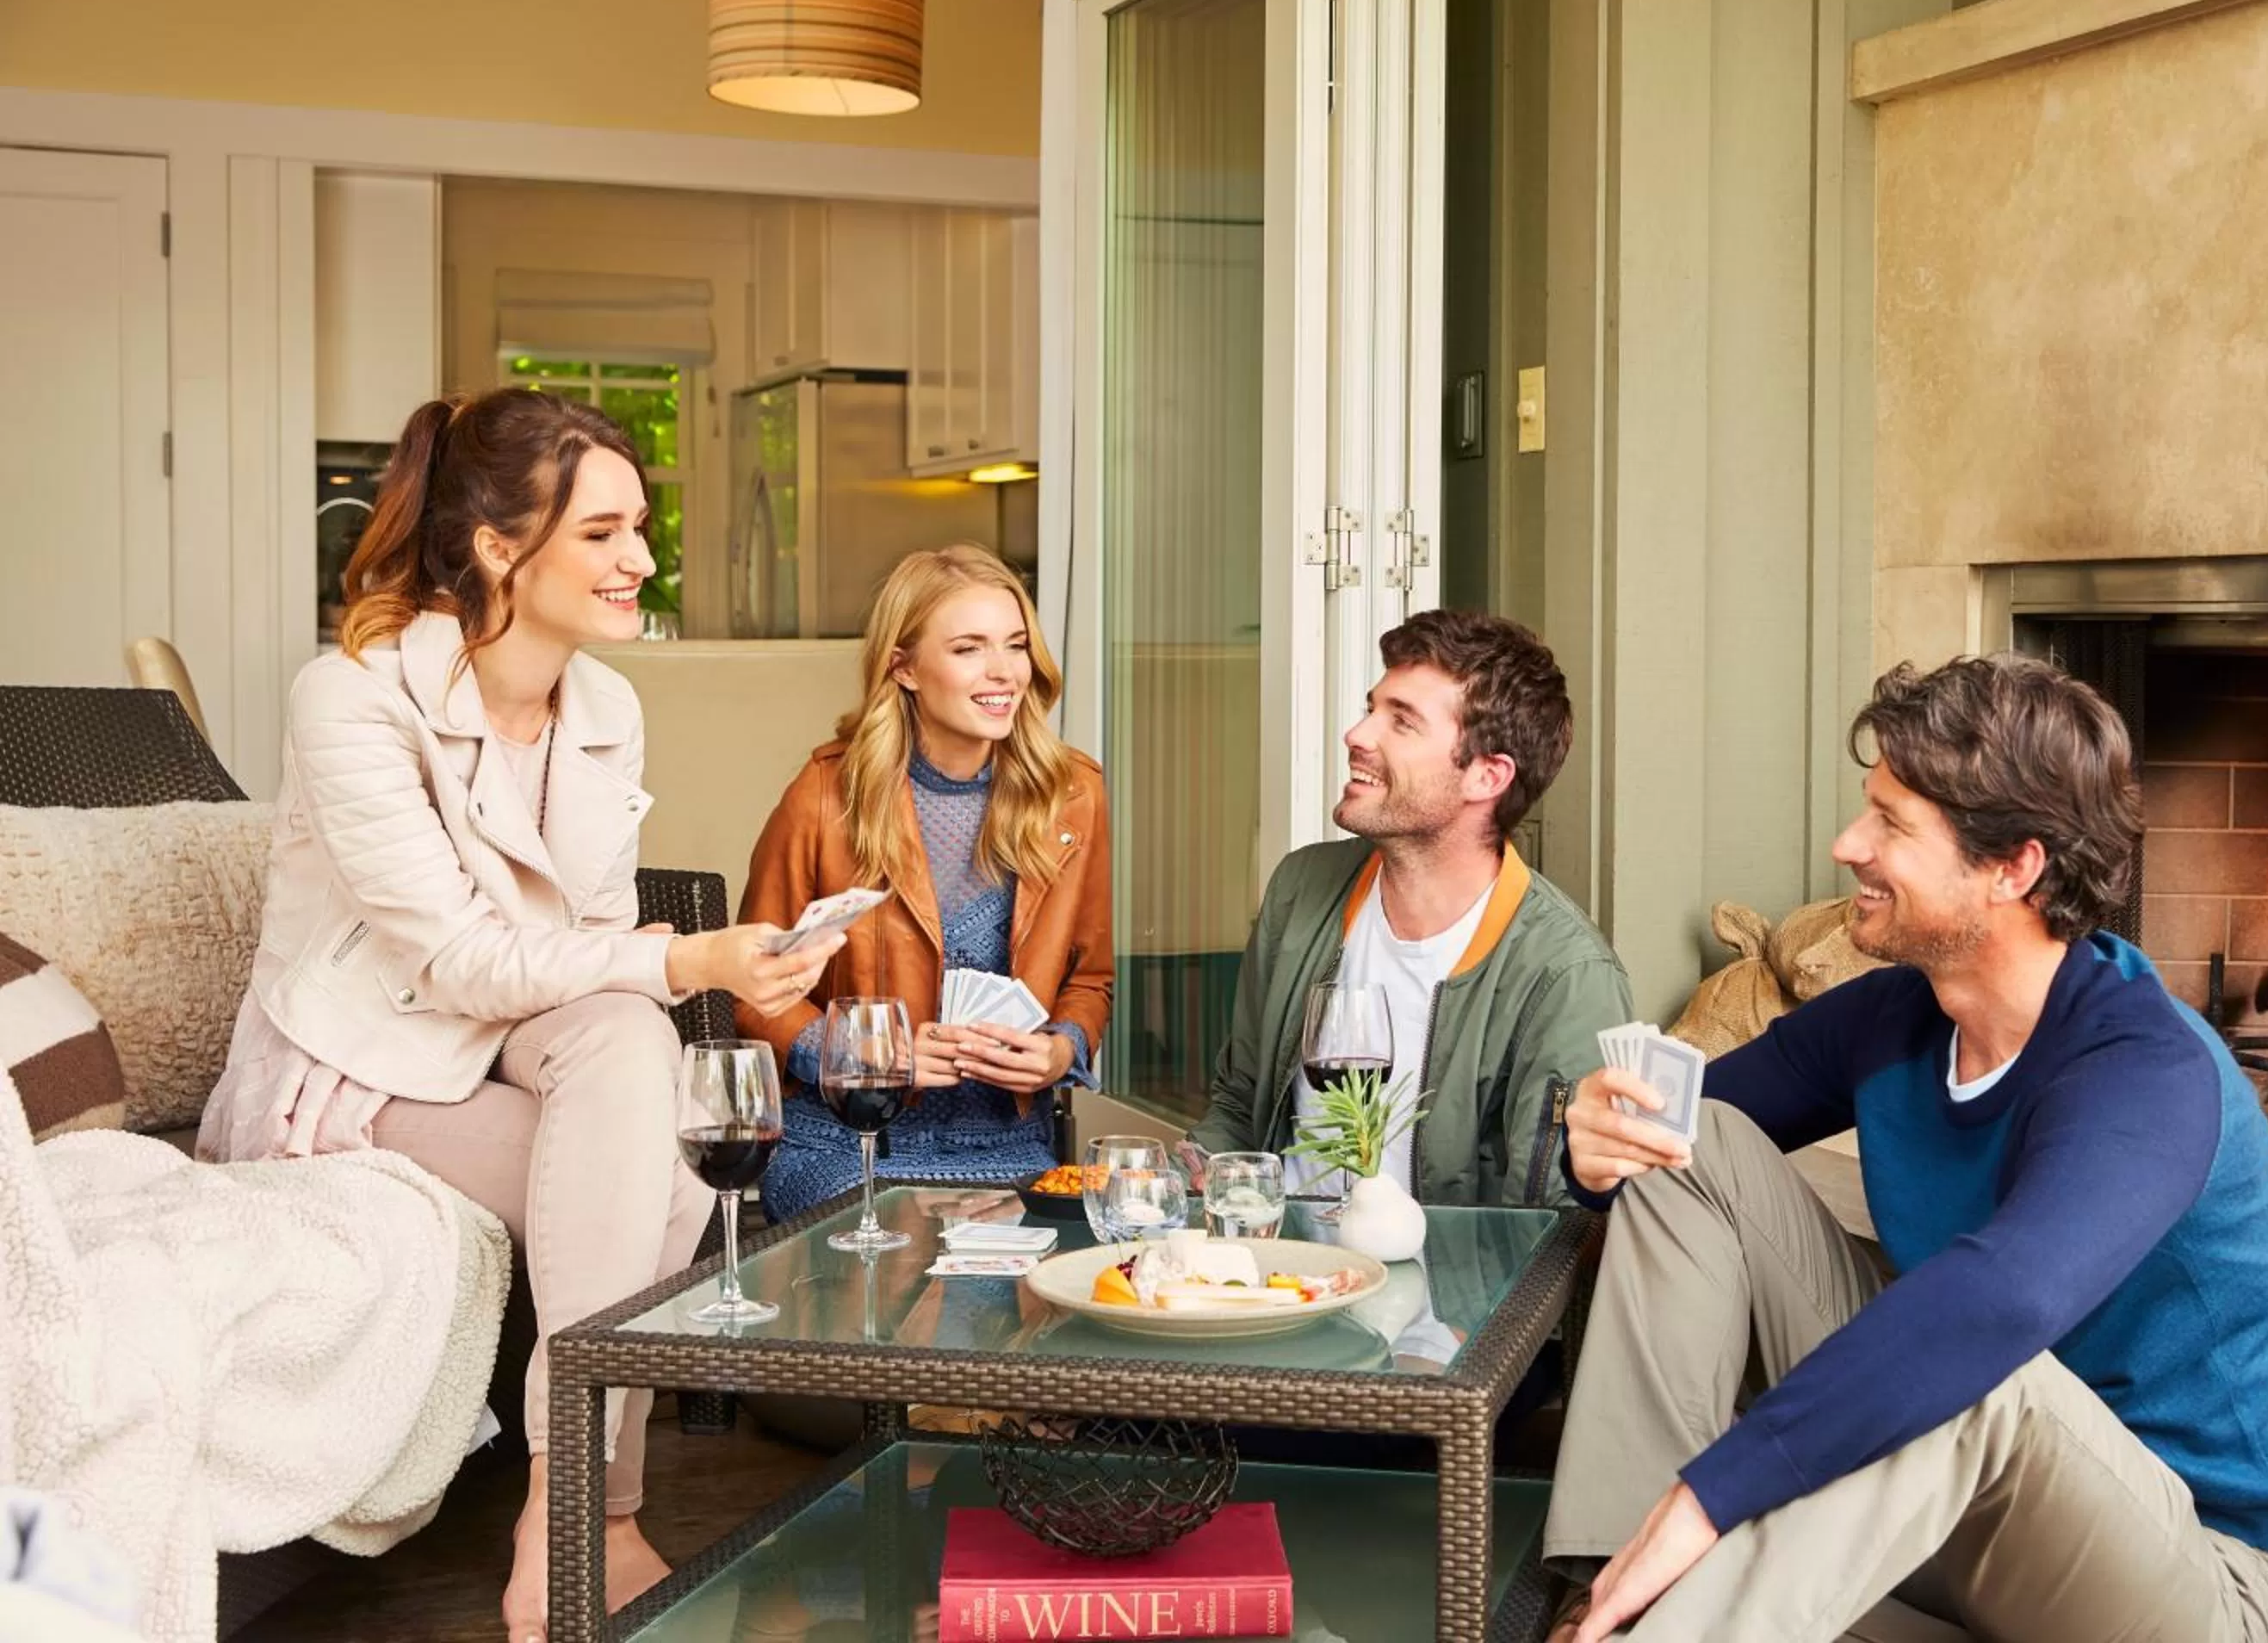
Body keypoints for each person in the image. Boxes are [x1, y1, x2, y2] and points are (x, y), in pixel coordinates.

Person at [195, 388, 845, 1640]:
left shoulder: (605, 713)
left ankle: (569, 1511)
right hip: (356, 1068)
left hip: (503, 1049)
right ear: (501, 547)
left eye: (641, 530)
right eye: (604, 535)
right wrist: (690, 956)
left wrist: (672, 969)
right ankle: (591, 1514)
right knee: (658, 1181)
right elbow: (456, 961)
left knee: (631, 1046)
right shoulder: (352, 698)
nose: (643, 562)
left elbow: (582, 959)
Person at [1546, 654, 2268, 1643]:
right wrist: (1591, 1144)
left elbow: (1997, 1307)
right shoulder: (1896, 1017)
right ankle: (1613, 1599)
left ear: (2014, 866)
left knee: (1975, 1362)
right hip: (1956, 1518)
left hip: (2182, 1570)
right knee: (1685, 1137)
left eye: (1890, 823)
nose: (1845, 844)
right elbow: (1666, 1134)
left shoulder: (2149, 1069)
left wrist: (1712, 1494)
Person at [1188, 609, 1631, 1209]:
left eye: (1402, 722)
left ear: (1486, 776)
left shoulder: (1567, 978)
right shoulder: (1303, 889)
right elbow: (1240, 1103)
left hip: (1442, 1296)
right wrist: (1177, 1185)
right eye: (1373, 708)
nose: (1358, 735)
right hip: (1281, 1277)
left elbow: (1551, 1222)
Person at [737, 544, 1111, 1214]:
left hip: (1009, 1144)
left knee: (1025, 1297)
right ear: (903, 667)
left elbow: (1091, 978)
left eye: (1016, 645)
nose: (1003, 672)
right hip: (848, 1143)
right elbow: (755, 991)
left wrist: (1062, 1052)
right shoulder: (824, 796)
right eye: (968, 649)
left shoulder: (1073, 794)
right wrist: (866, 1057)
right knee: (894, 1279)